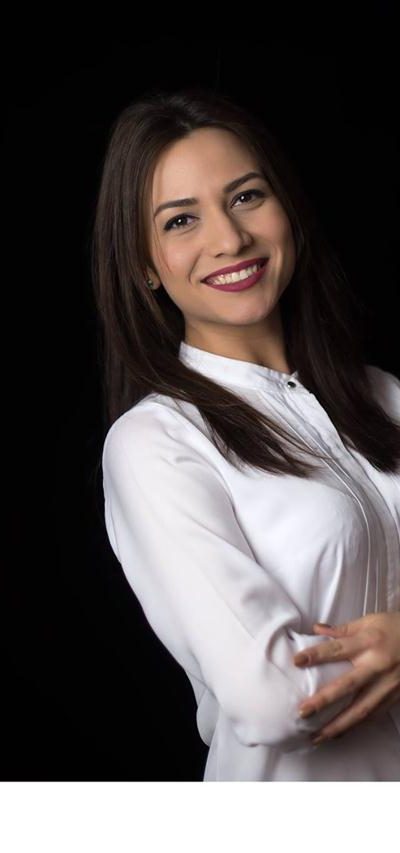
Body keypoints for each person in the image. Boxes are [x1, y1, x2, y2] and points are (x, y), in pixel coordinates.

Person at [91, 86, 400, 781]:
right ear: (143, 265)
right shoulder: (156, 446)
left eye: (246, 196)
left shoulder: (386, 397)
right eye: (180, 220)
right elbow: (275, 701)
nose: (229, 239)